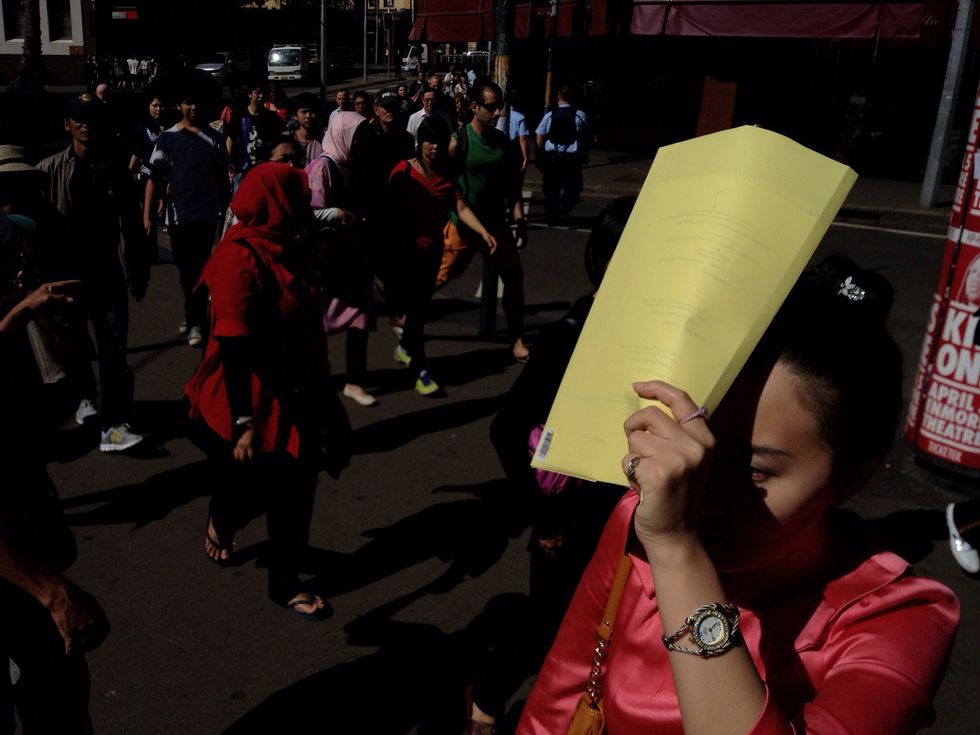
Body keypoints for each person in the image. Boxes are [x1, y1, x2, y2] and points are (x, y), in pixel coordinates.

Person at [517, 256, 959, 734]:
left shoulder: (900, 618)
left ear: (854, 477)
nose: (699, 492)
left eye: (752, 470)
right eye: (694, 450)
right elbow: (560, 695)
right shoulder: (639, 518)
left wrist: (678, 552)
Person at [466, 199, 636, 733]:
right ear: (606, 262)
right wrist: (547, 518)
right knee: (550, 622)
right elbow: (508, 429)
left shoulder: (660, 337)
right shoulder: (569, 336)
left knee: (615, 632)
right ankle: (485, 703)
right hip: (570, 520)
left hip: (630, 515)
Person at [184, 163, 329, 621]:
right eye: (298, 195)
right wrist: (244, 423)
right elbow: (232, 345)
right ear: (276, 201)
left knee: (297, 486)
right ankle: (222, 521)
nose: (306, 202)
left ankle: (284, 584)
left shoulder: (289, 244)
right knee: (244, 487)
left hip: (293, 391)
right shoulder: (238, 257)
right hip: (241, 400)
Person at [0, 212, 110, 733]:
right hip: (17, 582)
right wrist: (51, 592)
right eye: (12, 265)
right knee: (56, 706)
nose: (23, 272)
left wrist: (18, 314)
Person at [37, 95, 150, 453]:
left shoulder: (114, 168)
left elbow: (131, 223)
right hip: (66, 274)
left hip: (107, 272)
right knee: (75, 348)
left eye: (92, 118)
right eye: (78, 118)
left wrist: (138, 266)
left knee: (114, 349)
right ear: (67, 124)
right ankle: (86, 397)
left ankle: (113, 425)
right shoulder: (49, 170)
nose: (86, 125)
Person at [387, 116, 497, 396]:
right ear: (419, 142)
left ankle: (405, 347)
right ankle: (420, 370)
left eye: (438, 141)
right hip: (404, 253)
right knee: (416, 311)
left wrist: (483, 232)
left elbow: (460, 208)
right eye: (428, 141)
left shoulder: (447, 178)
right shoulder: (402, 172)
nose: (434, 147)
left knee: (419, 309)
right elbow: (388, 214)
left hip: (431, 252)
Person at [442, 77, 530, 363]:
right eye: (492, 108)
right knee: (441, 277)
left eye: (500, 107)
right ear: (474, 106)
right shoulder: (458, 141)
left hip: (495, 223)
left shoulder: (502, 143)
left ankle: (517, 339)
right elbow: (444, 184)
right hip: (464, 223)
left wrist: (519, 219)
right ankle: (406, 317)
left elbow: (511, 185)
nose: (498, 113)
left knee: (514, 280)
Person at [145, 84, 230, 348]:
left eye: (197, 103)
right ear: (179, 105)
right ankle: (192, 313)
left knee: (200, 268)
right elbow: (153, 176)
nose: (193, 108)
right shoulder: (167, 138)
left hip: (205, 214)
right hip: (177, 215)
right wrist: (147, 215)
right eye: (187, 102)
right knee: (185, 271)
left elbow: (223, 180)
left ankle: (197, 322)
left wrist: (226, 215)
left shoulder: (213, 139)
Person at [306, 112, 377, 407]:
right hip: (323, 260)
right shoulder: (322, 167)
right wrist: (338, 214)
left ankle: (354, 381)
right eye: (356, 135)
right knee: (311, 323)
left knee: (359, 316)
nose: (359, 141)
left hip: (348, 256)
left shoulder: (350, 166)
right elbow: (309, 213)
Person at [535, 85, 591, 224]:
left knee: (552, 187)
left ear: (558, 97)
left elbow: (539, 135)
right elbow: (587, 134)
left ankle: (551, 214)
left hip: (553, 156)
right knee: (573, 186)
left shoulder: (550, 114)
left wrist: (541, 151)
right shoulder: (579, 114)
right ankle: (565, 207)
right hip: (572, 158)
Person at [226, 81, 285, 192]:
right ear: (249, 94)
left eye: (263, 93)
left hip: (264, 168)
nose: (261, 96)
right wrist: (228, 159)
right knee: (239, 201)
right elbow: (231, 137)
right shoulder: (239, 114)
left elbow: (279, 140)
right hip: (242, 167)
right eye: (257, 93)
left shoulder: (271, 117)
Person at [290, 92, 323, 166]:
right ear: (295, 115)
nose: (308, 116)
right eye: (304, 112)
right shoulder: (288, 138)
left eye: (312, 111)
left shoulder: (324, 141)